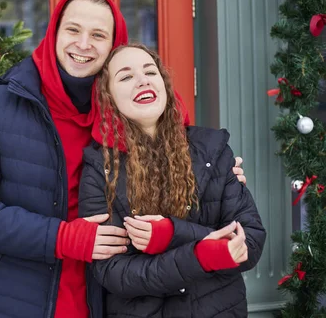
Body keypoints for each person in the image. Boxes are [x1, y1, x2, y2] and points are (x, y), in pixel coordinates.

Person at [0, 0, 247, 318]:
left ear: (114, 46)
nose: (83, 44)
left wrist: (216, 172)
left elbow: (181, 164)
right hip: (13, 302)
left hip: (104, 302)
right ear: (54, 32)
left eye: (98, 35)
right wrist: (63, 237)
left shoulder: (126, 113)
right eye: (73, 30)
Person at [79, 44, 266, 318]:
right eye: (126, 76)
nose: (143, 80)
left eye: (150, 72)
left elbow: (249, 243)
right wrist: (202, 255)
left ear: (163, 83)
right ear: (108, 97)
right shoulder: (100, 168)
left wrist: (171, 234)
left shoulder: (212, 150)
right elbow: (112, 272)